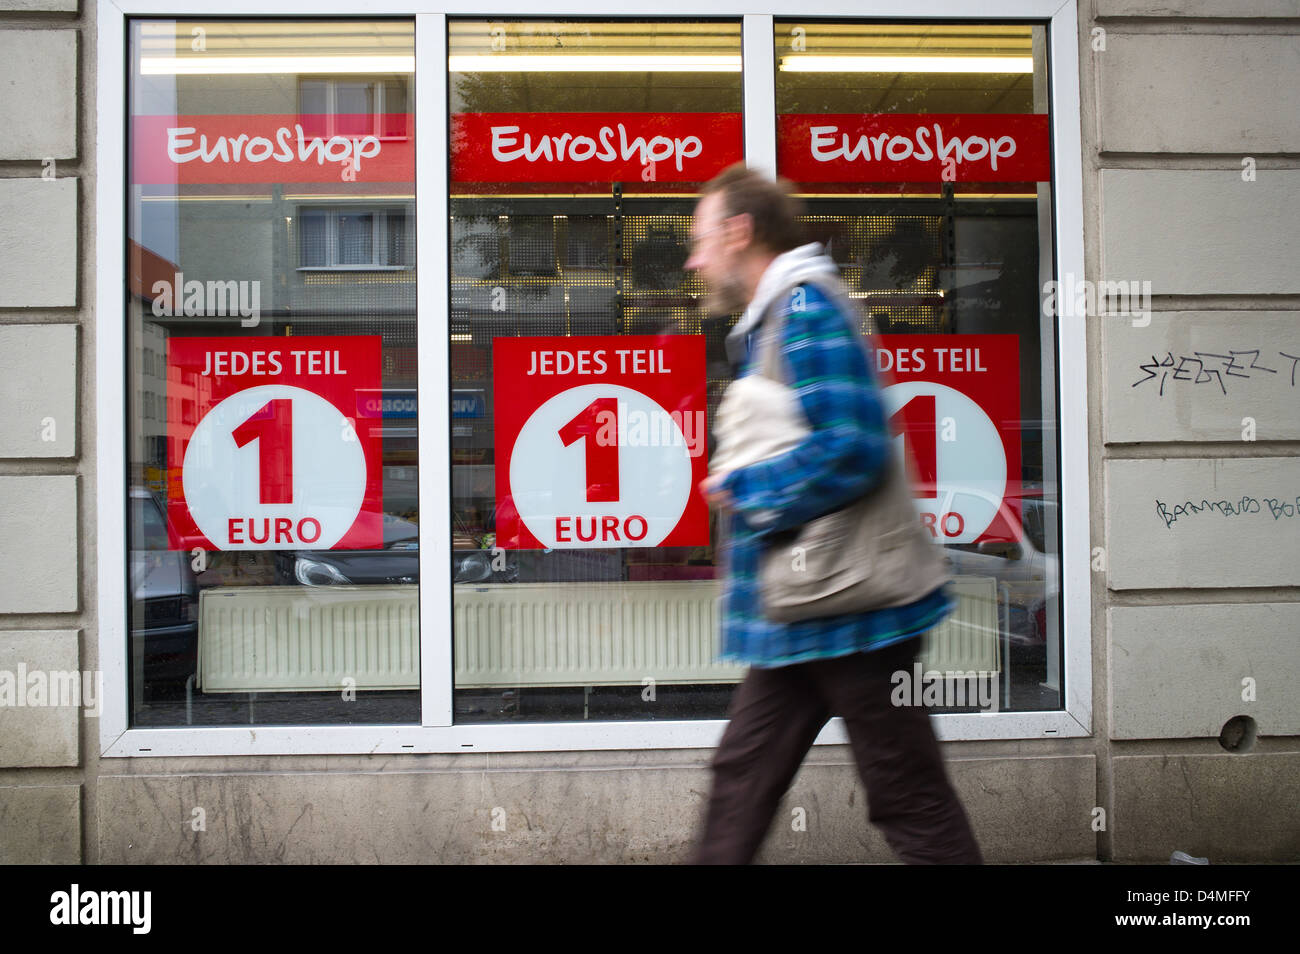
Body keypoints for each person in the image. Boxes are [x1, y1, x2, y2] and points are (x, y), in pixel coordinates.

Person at [686, 164, 984, 865]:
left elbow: (853, 448)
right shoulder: (774, 319)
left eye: (701, 241)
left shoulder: (804, 308)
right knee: (742, 782)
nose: (696, 260)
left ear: (739, 232)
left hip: (853, 612)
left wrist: (749, 488)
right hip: (806, 607)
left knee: (907, 796)